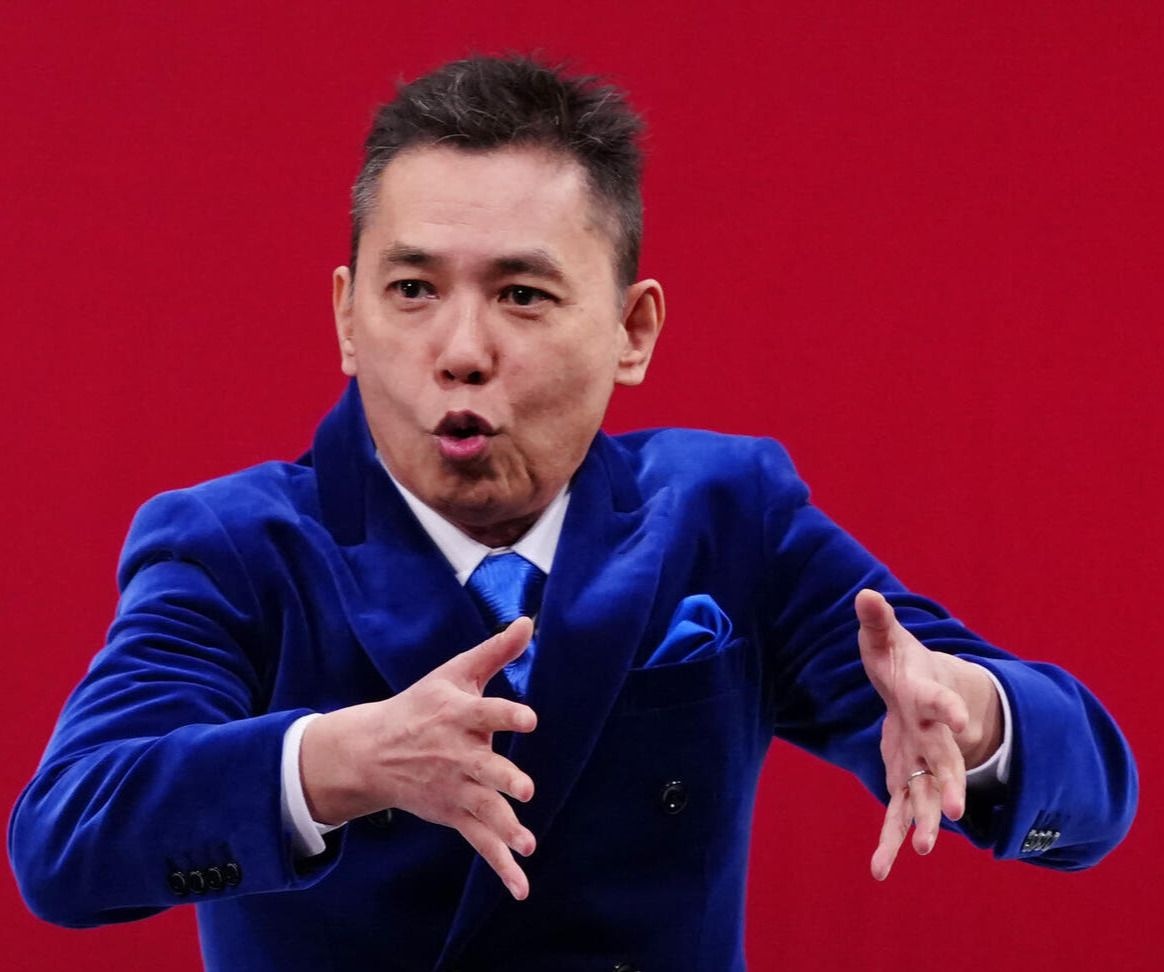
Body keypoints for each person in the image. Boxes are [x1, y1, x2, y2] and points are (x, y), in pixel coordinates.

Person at [9, 55, 1137, 972]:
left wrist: (976, 720)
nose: (461, 350)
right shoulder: (235, 546)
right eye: (413, 290)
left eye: (522, 294)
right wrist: (336, 762)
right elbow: (64, 841)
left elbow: (1094, 798)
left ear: (633, 331)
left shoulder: (725, 515)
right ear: (348, 319)